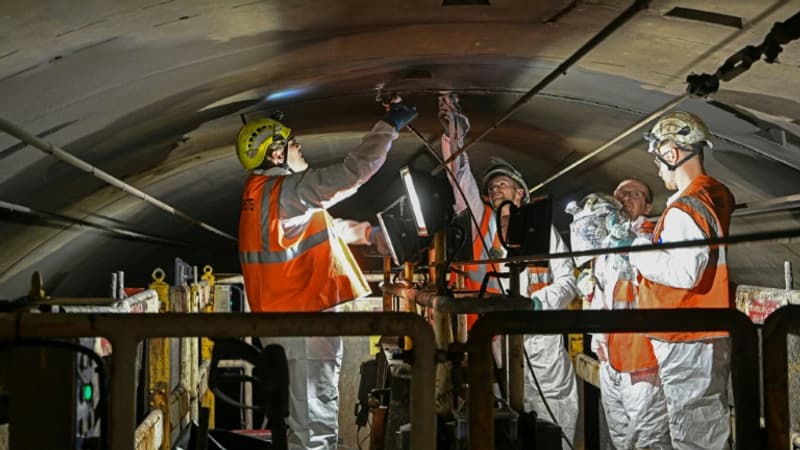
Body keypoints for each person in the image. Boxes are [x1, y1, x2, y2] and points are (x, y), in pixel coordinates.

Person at [236, 103, 417, 449]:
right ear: (276, 155)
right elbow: (353, 173)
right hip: (303, 321)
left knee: (302, 420)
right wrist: (388, 127)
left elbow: (317, 227)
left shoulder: (261, 193)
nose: (298, 146)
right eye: (291, 143)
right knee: (313, 423)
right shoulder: (288, 190)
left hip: (285, 321)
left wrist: (368, 234)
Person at [438, 93, 578, 449]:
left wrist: (536, 304)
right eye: (491, 187)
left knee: (554, 416)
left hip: (541, 340)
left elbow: (568, 281)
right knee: (511, 418)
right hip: (500, 339)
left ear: (520, 194)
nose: (495, 188)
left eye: (503, 184)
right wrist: (454, 134)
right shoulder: (483, 227)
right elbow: (460, 180)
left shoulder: (543, 231)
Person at [629, 111, 735, 450]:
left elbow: (686, 272)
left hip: (686, 331)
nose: (658, 169)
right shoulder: (713, 193)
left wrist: (638, 251)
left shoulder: (685, 207)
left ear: (672, 153)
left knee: (693, 433)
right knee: (704, 426)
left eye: (658, 160)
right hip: (701, 328)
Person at [570, 182, 672, 450]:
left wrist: (633, 252)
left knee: (647, 440)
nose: (626, 198)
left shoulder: (653, 238)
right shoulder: (606, 243)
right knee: (620, 437)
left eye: (635, 194)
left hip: (642, 359)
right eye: (621, 194)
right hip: (610, 358)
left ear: (647, 207)